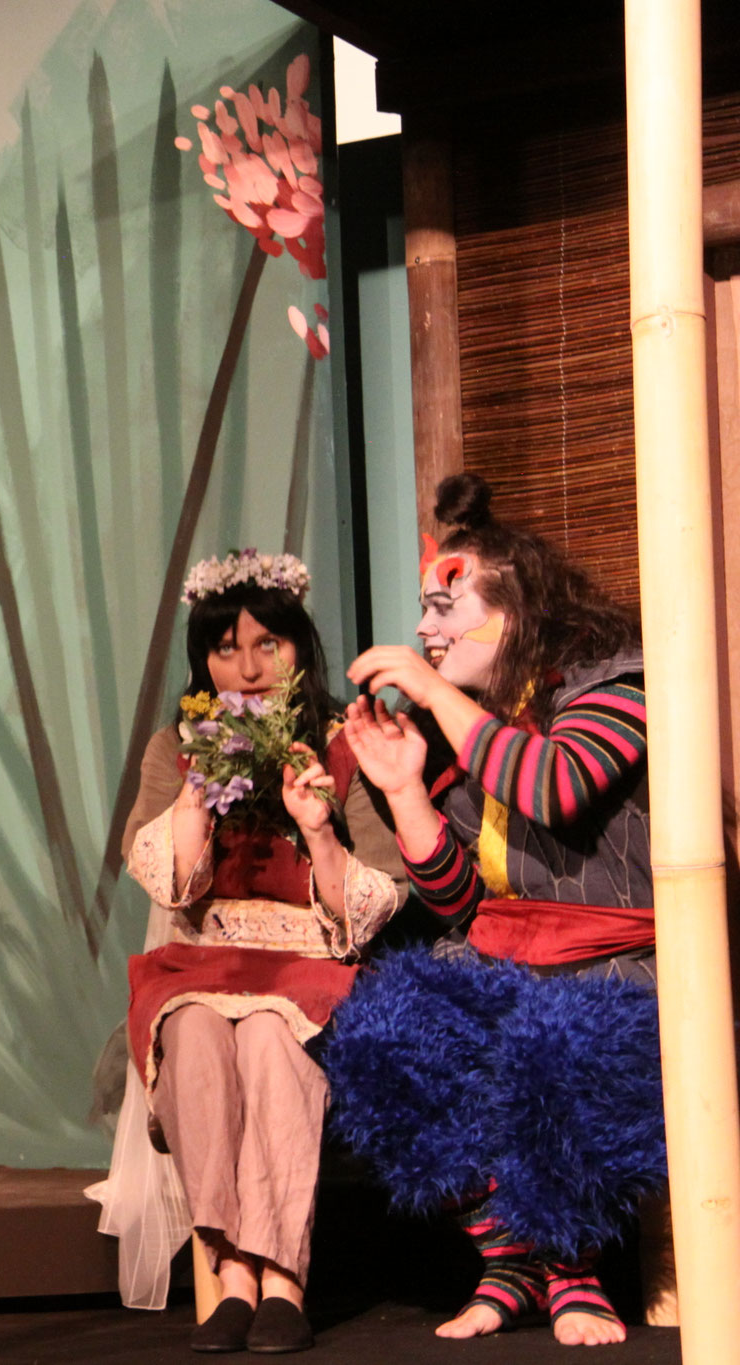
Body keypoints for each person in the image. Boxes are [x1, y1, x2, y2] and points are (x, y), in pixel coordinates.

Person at [323, 473, 663, 1348]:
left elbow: (558, 784)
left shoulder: (616, 681)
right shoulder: (478, 722)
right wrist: (405, 790)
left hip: (618, 968)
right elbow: (458, 900)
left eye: (447, 605)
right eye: (424, 611)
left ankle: (572, 1265)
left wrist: (437, 698)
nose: (426, 631)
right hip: (505, 957)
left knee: (552, 1042)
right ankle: (510, 1258)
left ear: (514, 610)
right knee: (380, 1038)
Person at [95, 549, 405, 1354]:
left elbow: (378, 894)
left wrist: (317, 828)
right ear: (203, 658)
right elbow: (165, 880)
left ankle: (283, 1282)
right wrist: (199, 790)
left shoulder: (339, 745)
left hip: (309, 966)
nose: (250, 667)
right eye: (226, 648)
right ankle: (232, 1275)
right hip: (202, 963)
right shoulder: (175, 748)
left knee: (271, 1039)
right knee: (194, 1033)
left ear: (300, 644)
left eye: (269, 643)